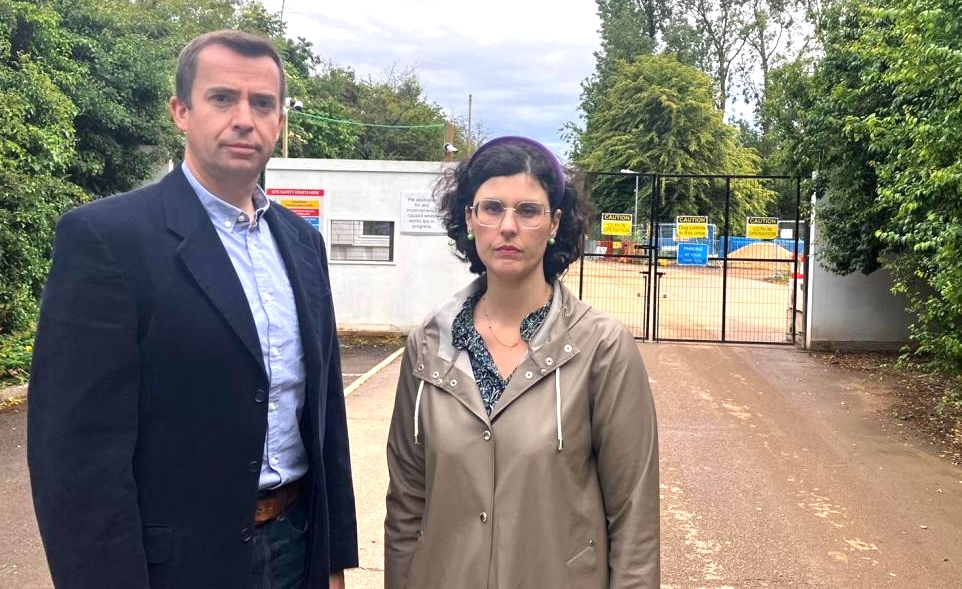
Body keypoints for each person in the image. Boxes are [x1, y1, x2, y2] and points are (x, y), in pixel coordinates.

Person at [28, 30, 358, 589]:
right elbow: (76, 456)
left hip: (295, 546)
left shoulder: (301, 245)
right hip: (177, 567)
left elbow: (323, 415)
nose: (244, 119)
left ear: (280, 121)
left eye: (263, 103)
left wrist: (331, 559)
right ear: (181, 111)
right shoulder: (108, 240)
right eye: (222, 98)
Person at [384, 136, 660, 588]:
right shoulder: (428, 348)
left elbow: (634, 518)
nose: (507, 226)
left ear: (554, 224)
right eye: (492, 208)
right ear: (470, 218)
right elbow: (407, 505)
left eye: (528, 211)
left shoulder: (601, 349)